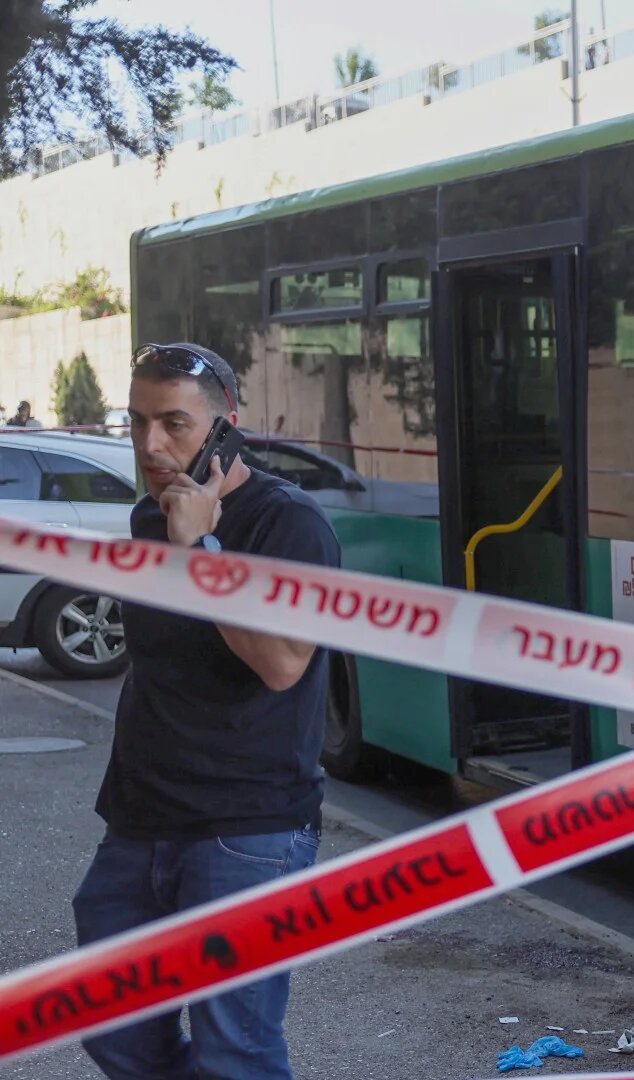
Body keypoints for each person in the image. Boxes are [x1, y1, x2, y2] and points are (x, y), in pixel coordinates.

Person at [74, 342, 341, 1079]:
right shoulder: (146, 517)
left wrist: (203, 552)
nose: (150, 445)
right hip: (139, 821)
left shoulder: (290, 526)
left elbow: (283, 664)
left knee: (236, 1050)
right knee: (112, 1024)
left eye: (174, 425)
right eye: (135, 423)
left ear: (226, 431)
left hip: (247, 832)